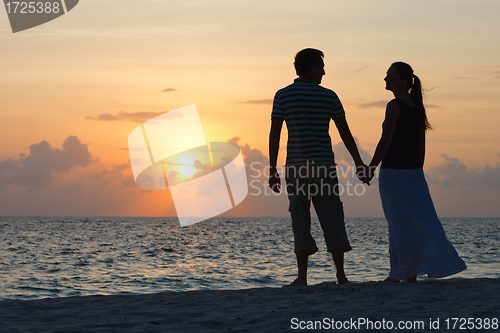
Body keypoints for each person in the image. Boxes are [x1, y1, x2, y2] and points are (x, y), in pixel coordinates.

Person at [268, 48, 369, 287]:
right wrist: (359, 163)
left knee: (300, 218)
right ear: (313, 68)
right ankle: (341, 276)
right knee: (332, 215)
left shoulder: (282, 95)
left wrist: (272, 170)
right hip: (323, 165)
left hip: (296, 167)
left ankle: (302, 277)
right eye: (322, 67)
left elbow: (275, 135)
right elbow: (345, 133)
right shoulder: (330, 96)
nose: (324, 72)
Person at [368, 61, 467, 283]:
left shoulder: (394, 106)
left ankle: (401, 273)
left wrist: (371, 167)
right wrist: (417, 170)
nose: (385, 79)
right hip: (413, 173)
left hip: (394, 172)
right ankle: (408, 273)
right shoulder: (416, 106)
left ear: (402, 82)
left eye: (389, 76)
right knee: (418, 220)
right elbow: (421, 145)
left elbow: (386, 139)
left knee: (398, 223)